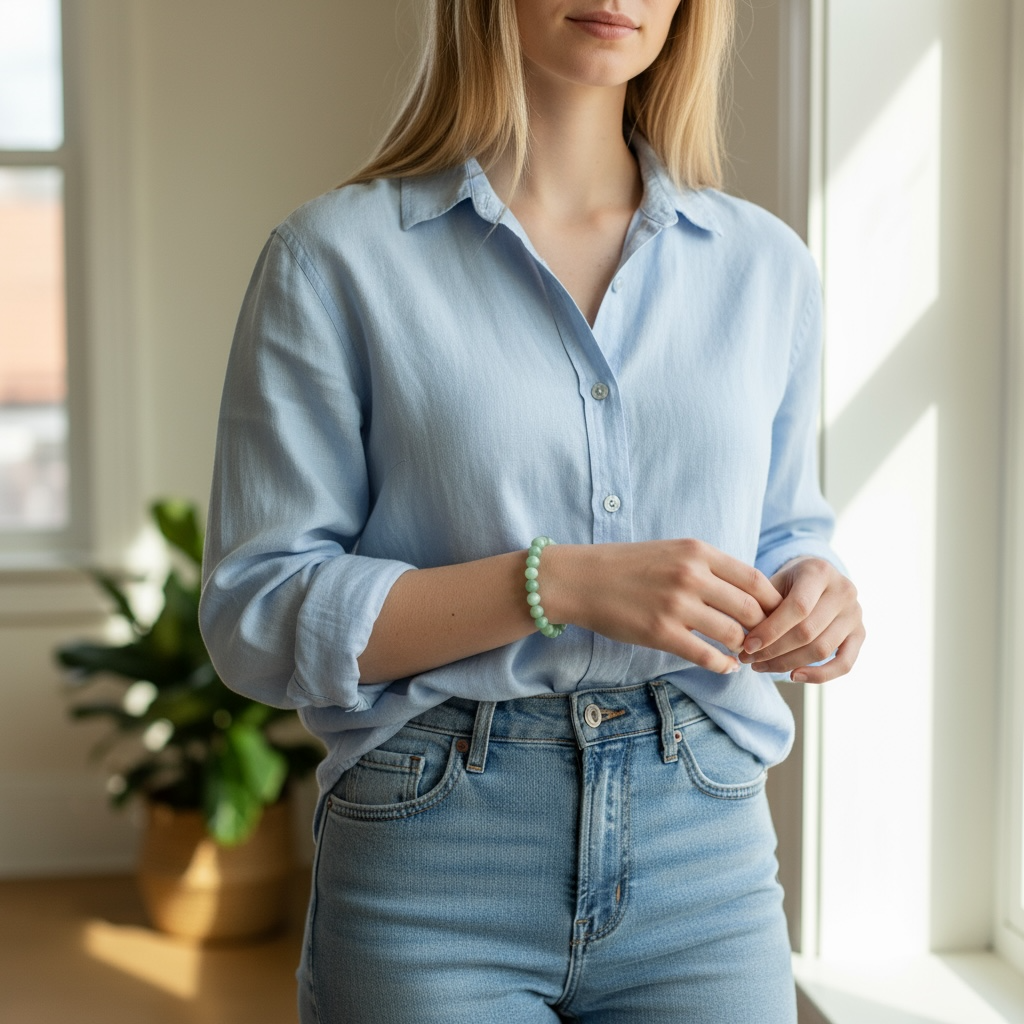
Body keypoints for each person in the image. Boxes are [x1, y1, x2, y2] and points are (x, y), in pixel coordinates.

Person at [200, 0, 865, 1021]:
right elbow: (257, 611)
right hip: (433, 857)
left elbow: (782, 528)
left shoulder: (765, 267)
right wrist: (556, 584)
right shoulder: (332, 259)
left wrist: (816, 590)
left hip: (705, 846)